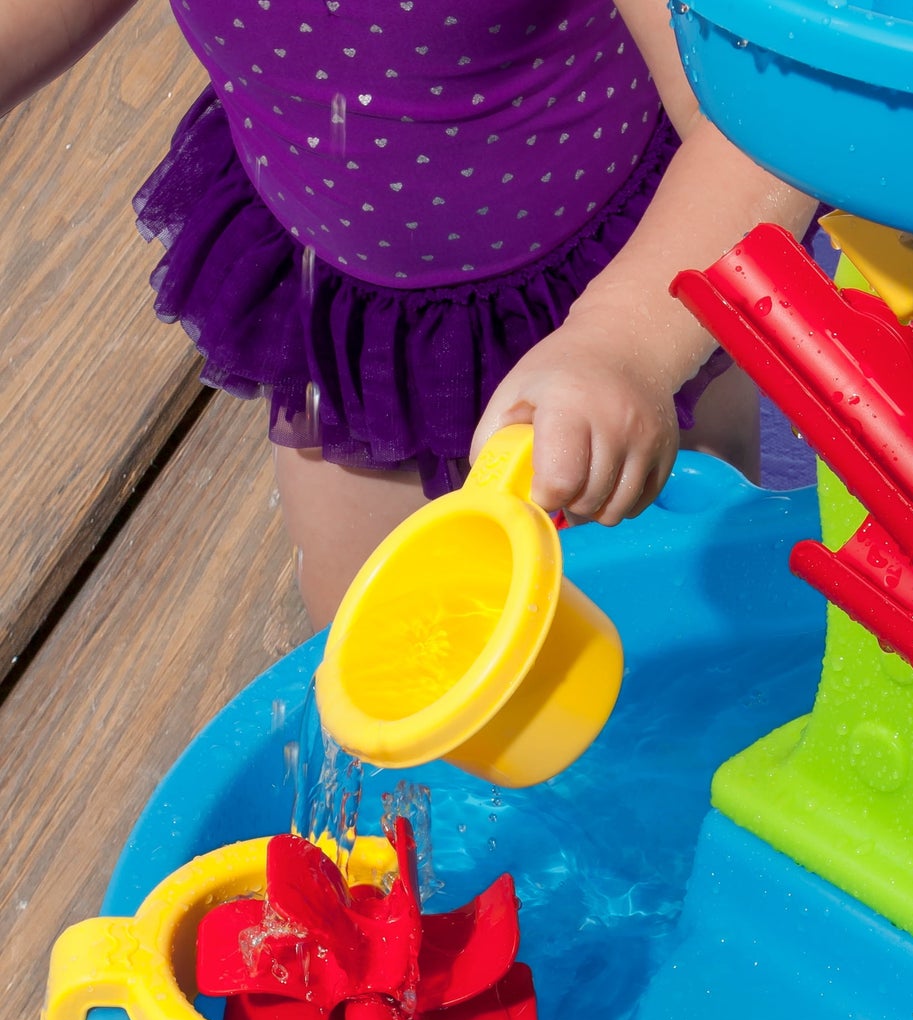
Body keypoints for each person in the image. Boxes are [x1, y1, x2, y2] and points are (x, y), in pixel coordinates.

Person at [1, 0, 816, 620]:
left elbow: (763, 127)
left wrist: (627, 343)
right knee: (372, 629)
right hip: (357, 324)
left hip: (627, 282)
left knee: (678, 591)